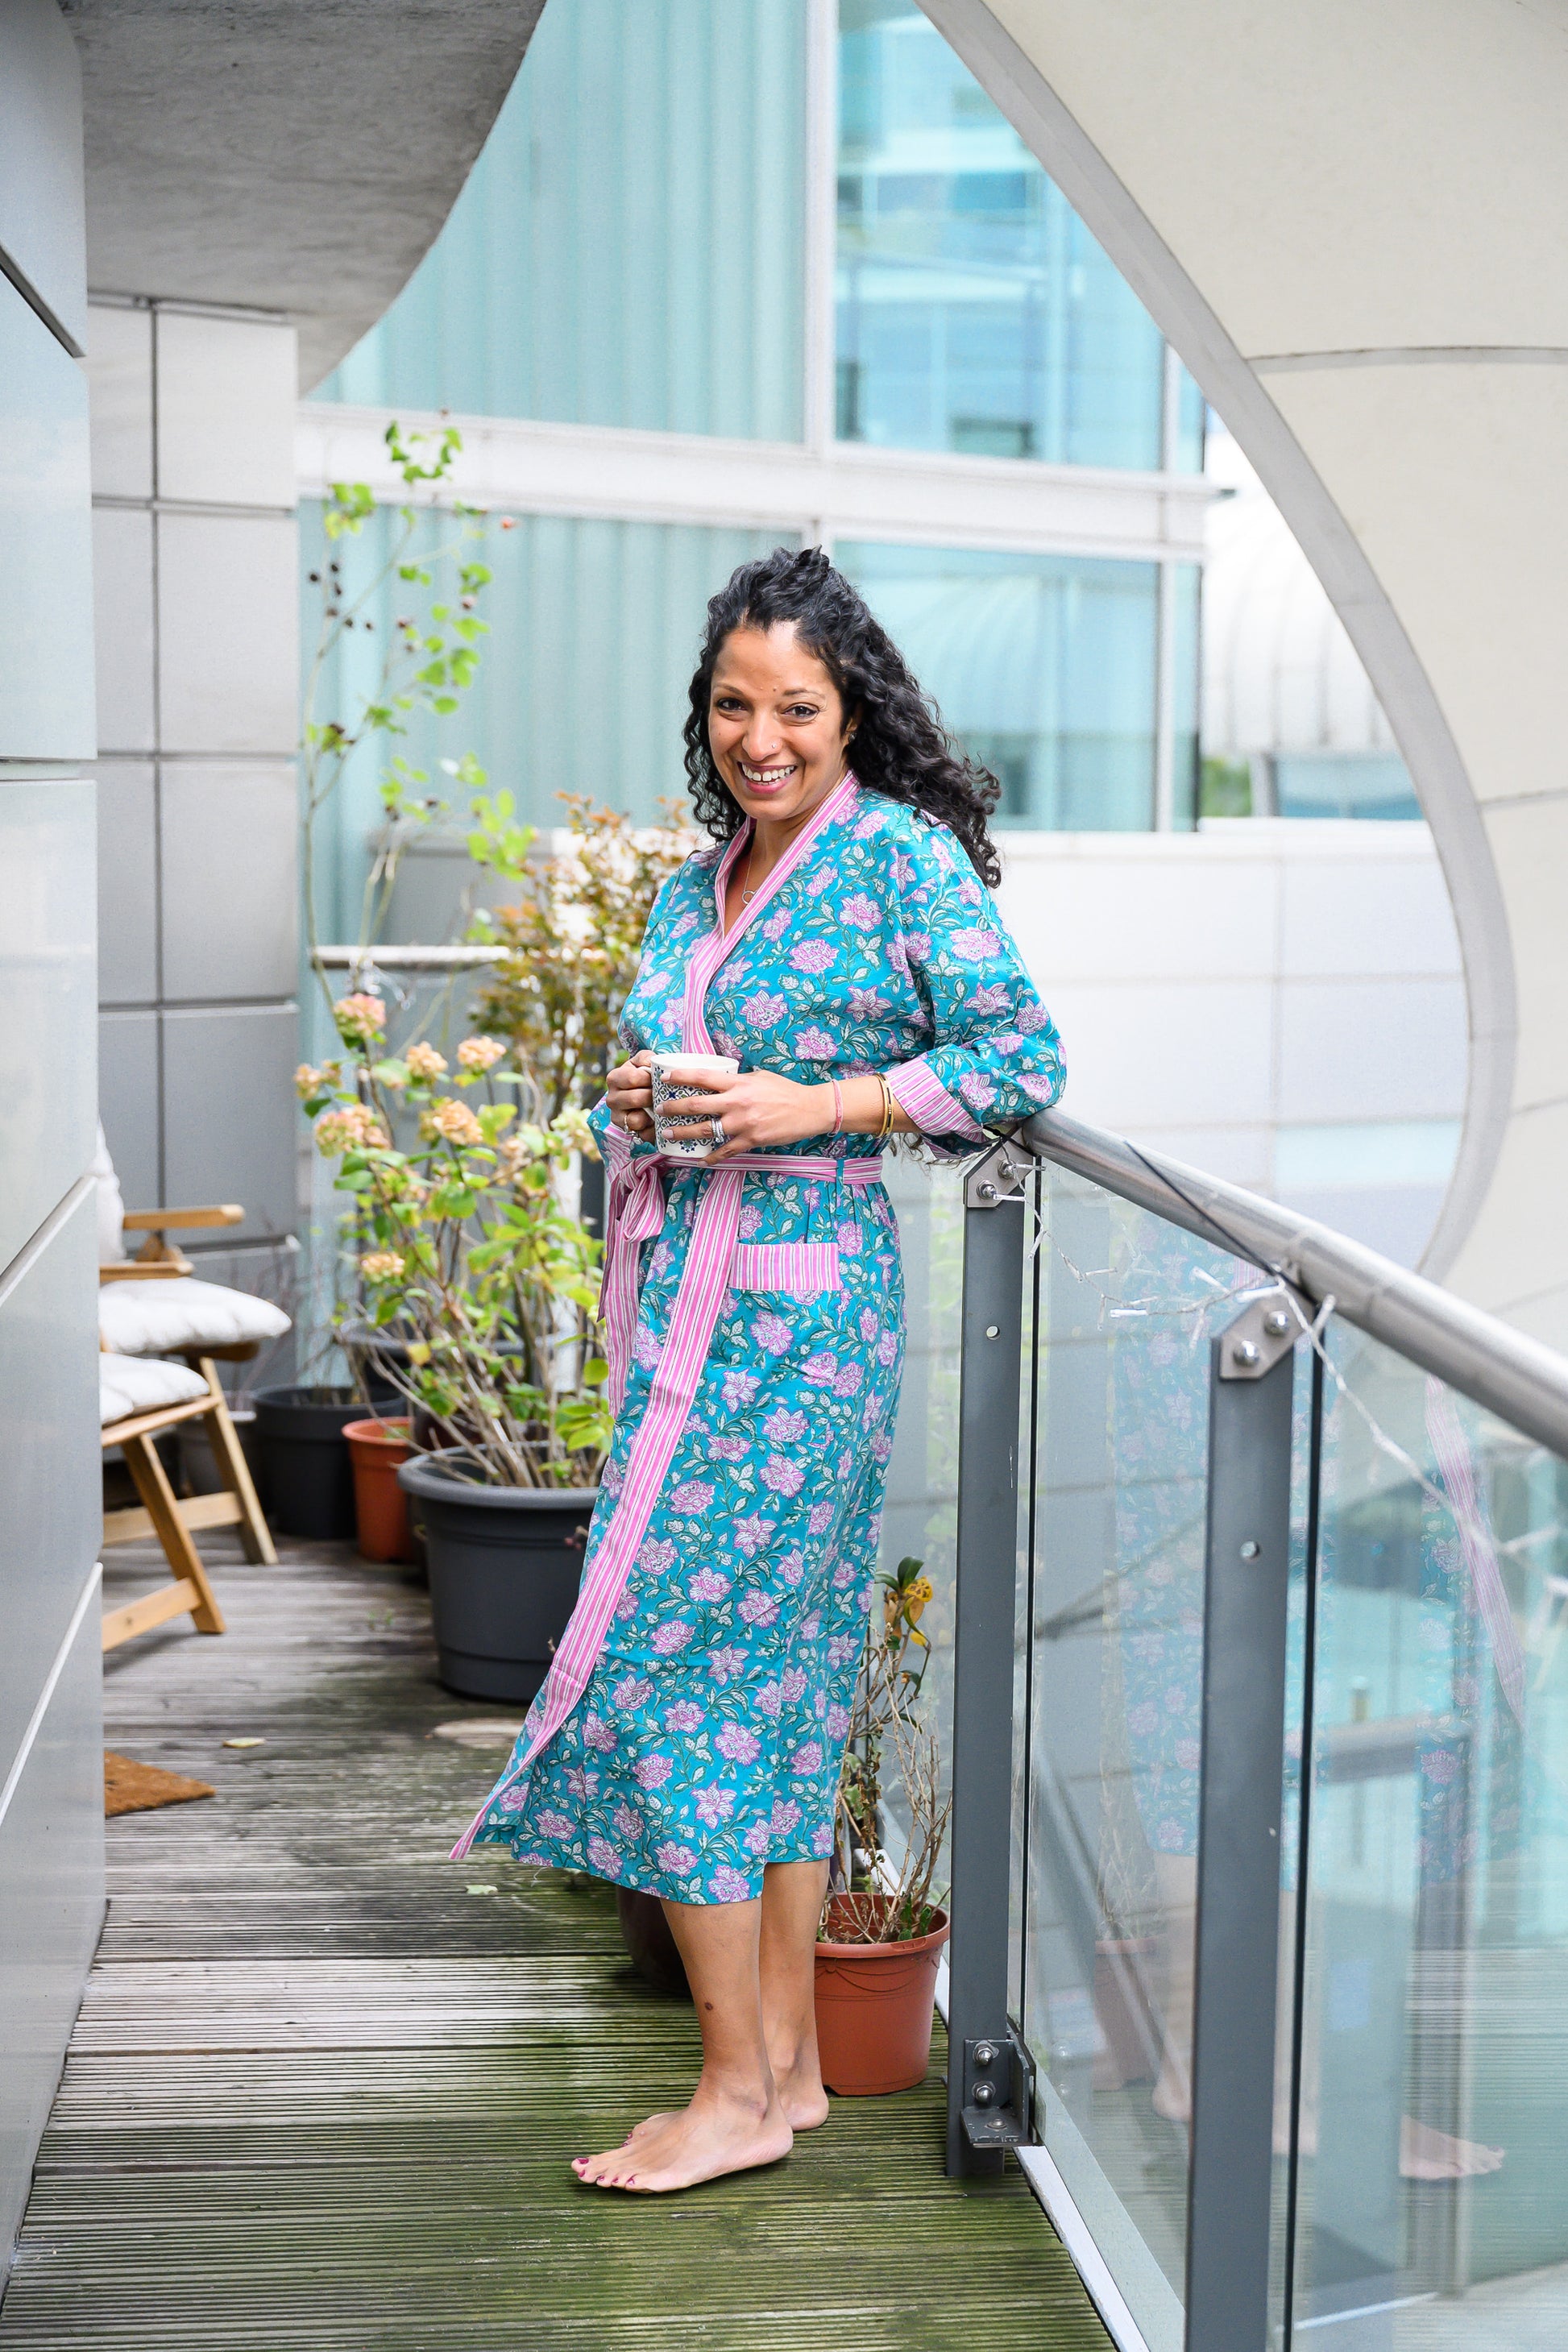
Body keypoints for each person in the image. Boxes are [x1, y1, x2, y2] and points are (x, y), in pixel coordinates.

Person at [453, 545, 1064, 2192]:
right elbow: (642, 1080)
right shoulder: (694, 877)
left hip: (800, 1326)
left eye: (794, 703)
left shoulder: (901, 859)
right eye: (734, 703)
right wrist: (646, 1099)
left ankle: (727, 2087)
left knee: (677, 1671)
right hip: (688, 1312)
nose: (761, 734)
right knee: (776, 1680)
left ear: (848, 704)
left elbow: (1021, 1058)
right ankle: (785, 2069)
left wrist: (820, 1104)